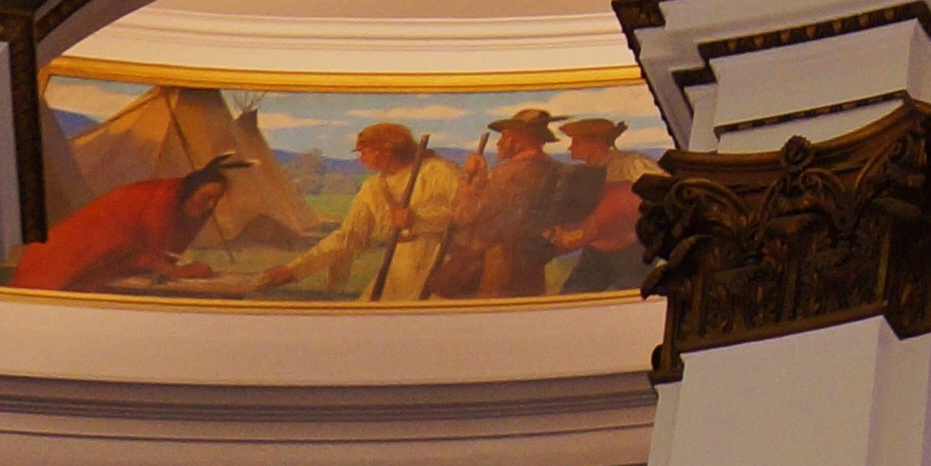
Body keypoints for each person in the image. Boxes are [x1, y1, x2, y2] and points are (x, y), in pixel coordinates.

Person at [246, 123, 455, 299]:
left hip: (439, 262)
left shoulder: (437, 171)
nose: (361, 158)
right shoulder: (373, 188)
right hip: (398, 266)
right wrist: (293, 270)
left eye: (365, 151)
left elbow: (467, 215)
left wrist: (418, 221)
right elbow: (348, 236)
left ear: (386, 149)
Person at [14, 158, 241, 293]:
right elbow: (139, 249)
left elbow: (158, 252)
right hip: (65, 255)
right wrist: (176, 272)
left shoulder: (184, 208)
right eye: (206, 197)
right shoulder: (161, 200)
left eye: (215, 200)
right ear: (190, 191)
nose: (211, 206)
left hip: (107, 259)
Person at [432, 107, 563, 298]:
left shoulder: (507, 173)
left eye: (505, 136)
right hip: (531, 265)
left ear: (520, 139)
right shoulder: (552, 168)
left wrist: (471, 180)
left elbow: (465, 215)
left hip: (500, 263)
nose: (500, 143)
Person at [543, 116, 648, 295]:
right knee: (569, 299)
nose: (570, 147)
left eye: (576, 142)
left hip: (630, 252)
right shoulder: (583, 174)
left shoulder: (631, 164)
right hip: (595, 251)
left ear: (594, 143)